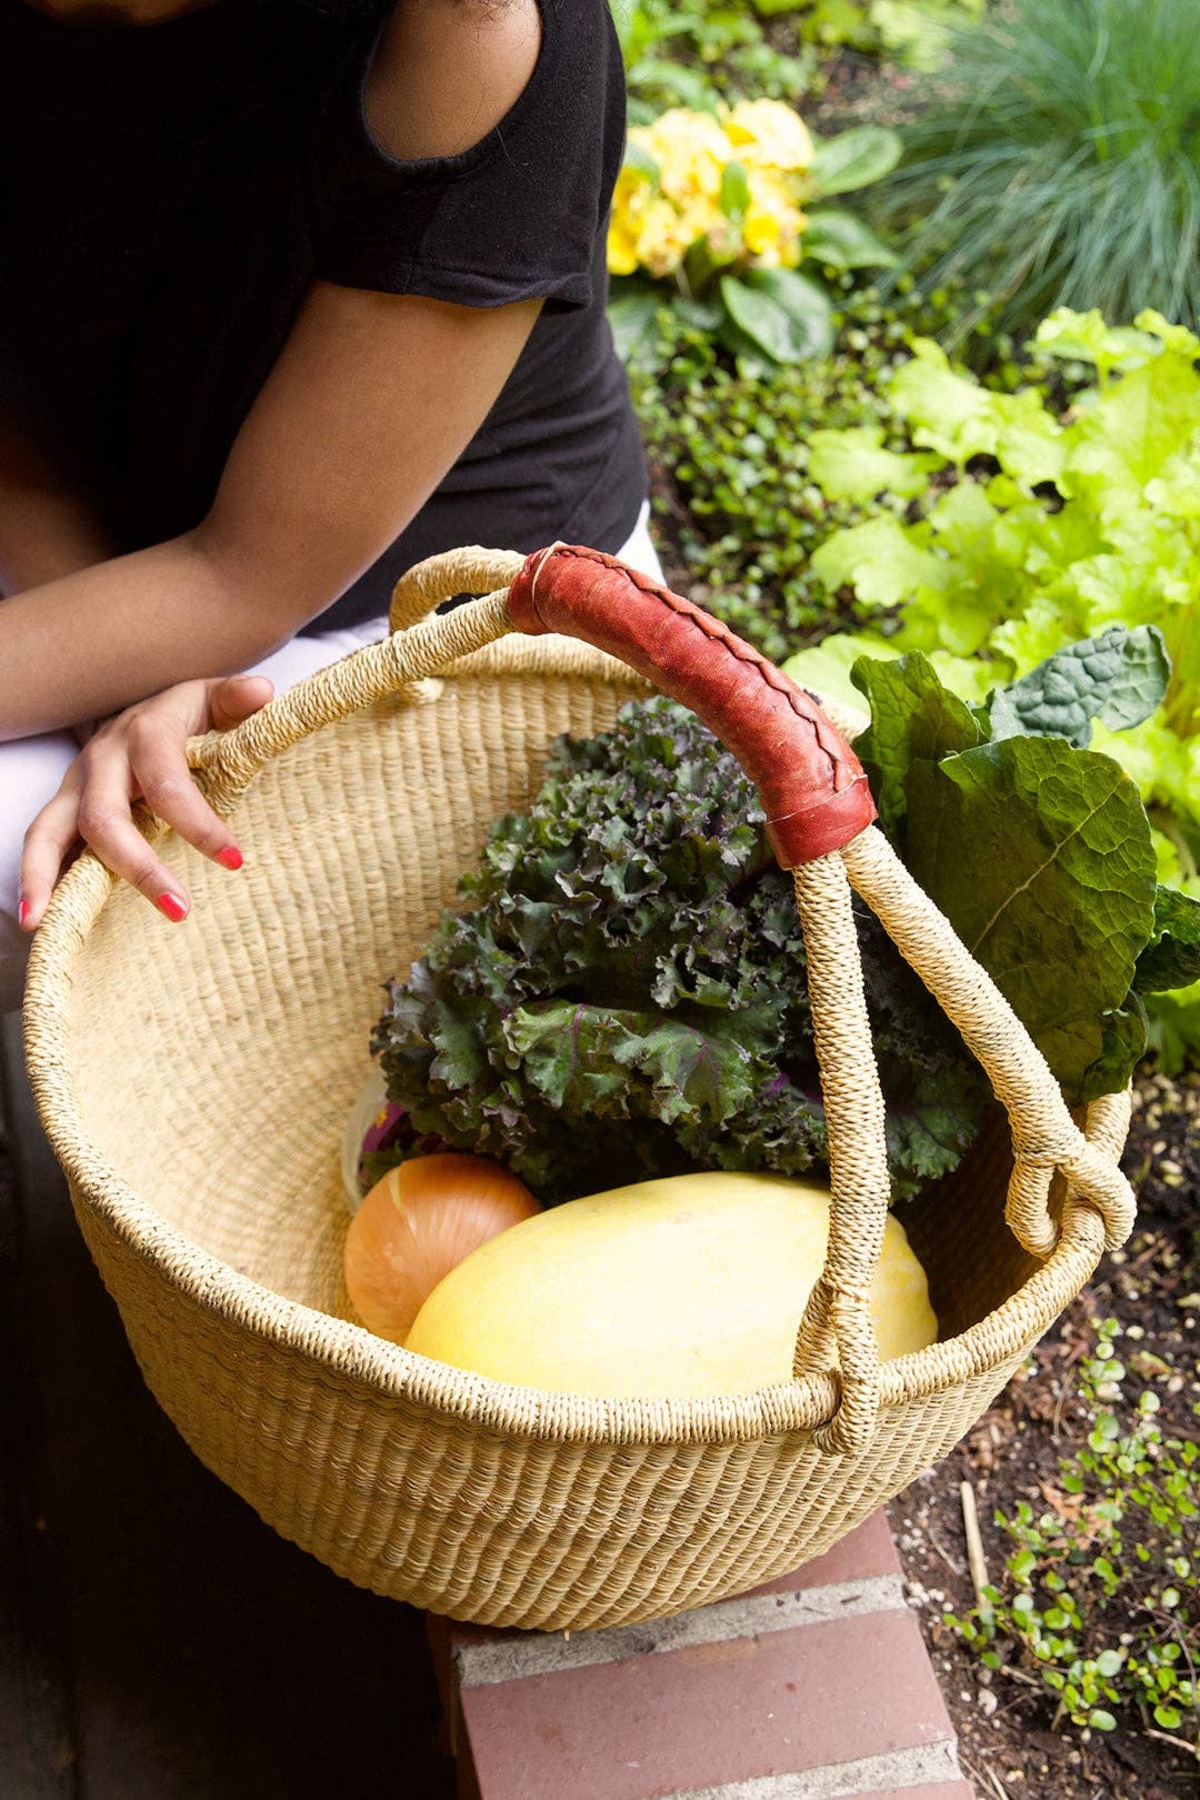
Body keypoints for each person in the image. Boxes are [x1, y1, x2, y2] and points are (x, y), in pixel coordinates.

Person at [0, 0, 662, 1011]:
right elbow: (25, 427)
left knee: (41, 873)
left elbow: (242, 577)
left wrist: (167, 681)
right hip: (109, 511)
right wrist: (115, 686)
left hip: (406, 600)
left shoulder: (473, 29)